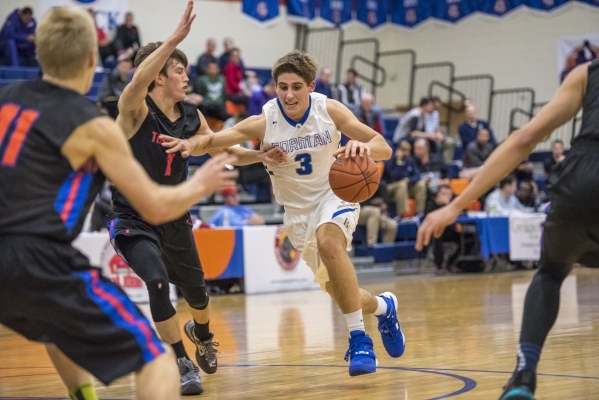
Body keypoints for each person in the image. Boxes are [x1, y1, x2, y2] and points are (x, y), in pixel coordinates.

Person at [0, 6, 239, 400]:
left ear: (38, 54)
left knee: (53, 325)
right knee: (153, 361)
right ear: (93, 58)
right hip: (40, 256)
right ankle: (178, 359)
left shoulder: (6, 99)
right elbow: (158, 207)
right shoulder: (93, 124)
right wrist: (201, 185)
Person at [161, 50, 406, 377]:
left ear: (311, 86)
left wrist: (362, 148)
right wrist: (193, 146)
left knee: (329, 243)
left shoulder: (328, 109)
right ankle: (384, 307)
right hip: (297, 214)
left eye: (296, 87)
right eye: (282, 87)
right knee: (342, 292)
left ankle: (360, 339)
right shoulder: (266, 120)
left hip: (334, 195)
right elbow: (217, 141)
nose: (289, 94)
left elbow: (383, 147)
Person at [111, 2, 284, 394]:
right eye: (178, 69)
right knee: (156, 282)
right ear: (158, 76)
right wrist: (174, 38)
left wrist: (260, 155)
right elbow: (136, 82)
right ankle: (182, 362)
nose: (186, 76)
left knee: (199, 294)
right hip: (132, 217)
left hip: (175, 217)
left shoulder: (191, 117)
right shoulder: (135, 110)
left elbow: (220, 150)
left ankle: (201, 335)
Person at [416, 59, 599, 400]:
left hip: (580, 181)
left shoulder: (588, 73)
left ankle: (523, 375)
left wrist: (457, 204)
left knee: (551, 273)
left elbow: (526, 137)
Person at [384, 140, 426, 217]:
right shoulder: (390, 161)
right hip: (390, 189)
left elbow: (417, 176)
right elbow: (394, 176)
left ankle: (419, 213)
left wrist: (408, 180)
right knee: (402, 184)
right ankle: (402, 215)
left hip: (404, 188)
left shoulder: (409, 161)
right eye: (404, 150)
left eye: (408, 150)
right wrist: (399, 162)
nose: (407, 152)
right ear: (398, 149)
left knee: (421, 184)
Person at [424, 185, 459, 275]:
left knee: (467, 238)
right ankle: (438, 266)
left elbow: (462, 213)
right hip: (434, 231)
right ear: (437, 194)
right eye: (443, 194)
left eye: (448, 194)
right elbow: (431, 220)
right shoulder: (430, 204)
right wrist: (446, 206)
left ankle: (451, 263)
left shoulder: (454, 202)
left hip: (449, 230)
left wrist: (448, 205)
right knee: (437, 237)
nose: (445, 197)